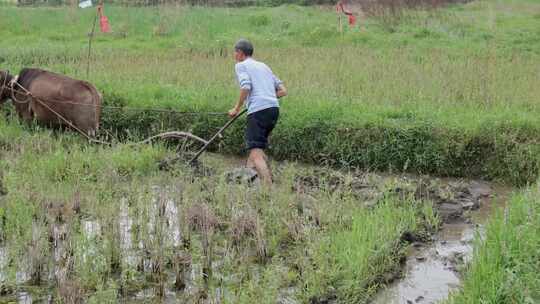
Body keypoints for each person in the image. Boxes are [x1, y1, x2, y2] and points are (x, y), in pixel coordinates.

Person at [228, 39, 287, 185]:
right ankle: (247, 180)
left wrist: (237, 108)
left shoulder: (240, 65)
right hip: (273, 110)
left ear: (240, 53)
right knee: (257, 149)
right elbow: (283, 91)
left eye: (235, 52)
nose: (234, 55)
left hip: (259, 112)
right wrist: (262, 99)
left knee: (255, 155)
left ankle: (268, 189)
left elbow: (246, 87)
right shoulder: (264, 66)